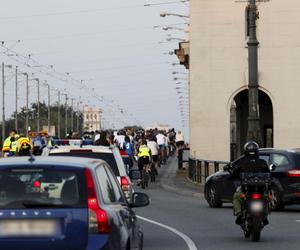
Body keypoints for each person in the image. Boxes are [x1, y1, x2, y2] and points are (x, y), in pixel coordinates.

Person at [230, 141, 270, 225]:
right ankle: (265, 216)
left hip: (246, 190)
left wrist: (230, 177)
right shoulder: (262, 162)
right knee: (266, 198)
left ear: (245, 152)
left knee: (236, 197)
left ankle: (239, 214)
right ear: (257, 151)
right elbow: (269, 174)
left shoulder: (241, 163)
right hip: (260, 189)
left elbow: (234, 175)